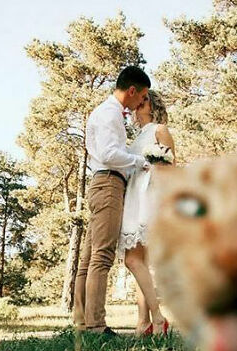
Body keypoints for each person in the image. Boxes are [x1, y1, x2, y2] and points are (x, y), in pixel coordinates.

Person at [73, 66, 151, 335]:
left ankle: (81, 322)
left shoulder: (110, 113)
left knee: (88, 258)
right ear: (132, 90)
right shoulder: (109, 114)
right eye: (142, 97)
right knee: (102, 256)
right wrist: (138, 161)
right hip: (108, 183)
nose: (141, 103)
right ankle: (95, 325)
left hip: (102, 182)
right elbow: (108, 153)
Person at [118, 90, 175, 335]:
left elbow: (171, 170)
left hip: (149, 198)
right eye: (139, 99)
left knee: (132, 260)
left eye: (146, 99)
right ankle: (143, 324)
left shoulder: (159, 130)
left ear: (153, 106)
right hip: (133, 197)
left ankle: (158, 318)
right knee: (139, 262)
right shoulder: (135, 138)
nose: (140, 103)